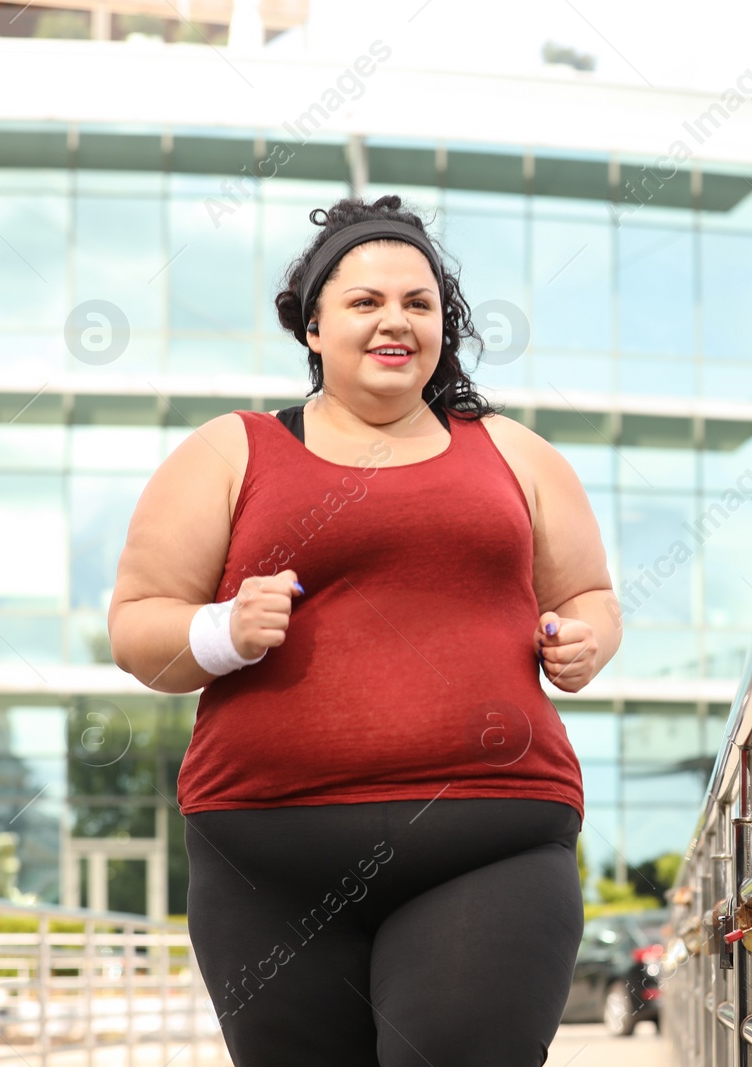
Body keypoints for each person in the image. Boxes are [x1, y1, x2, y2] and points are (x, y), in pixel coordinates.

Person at [108, 194, 622, 1066]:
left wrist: (585, 640)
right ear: (314, 328)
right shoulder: (231, 450)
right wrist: (227, 629)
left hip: (489, 838)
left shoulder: (515, 452)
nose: (396, 321)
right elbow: (136, 629)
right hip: (267, 862)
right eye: (365, 302)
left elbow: (591, 596)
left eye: (419, 304)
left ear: (443, 327)